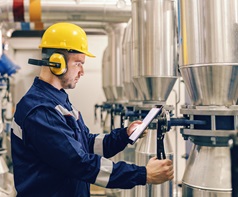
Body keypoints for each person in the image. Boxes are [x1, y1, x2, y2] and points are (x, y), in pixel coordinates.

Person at [10, 22, 173, 197]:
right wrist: (144, 174)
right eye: (78, 63)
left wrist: (124, 135)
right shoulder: (40, 110)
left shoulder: (58, 100)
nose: (82, 72)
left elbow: (86, 144)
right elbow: (78, 163)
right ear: (57, 62)